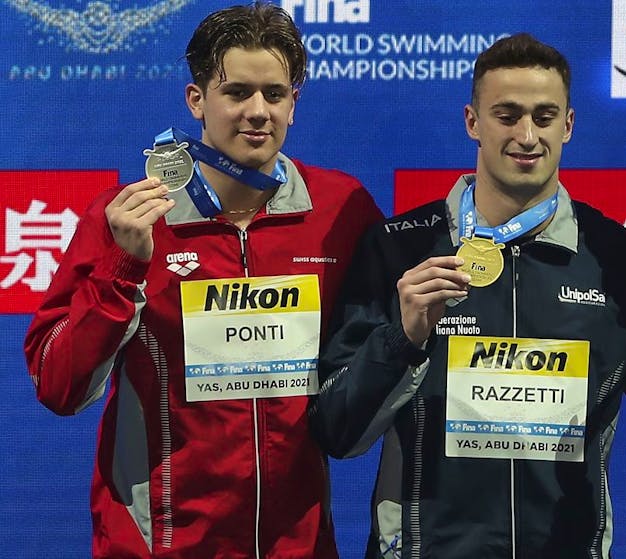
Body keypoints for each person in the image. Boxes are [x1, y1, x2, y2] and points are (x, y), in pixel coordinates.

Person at [23, 3, 382, 557]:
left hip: (299, 547)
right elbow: (58, 385)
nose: (257, 112)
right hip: (163, 545)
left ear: (294, 103)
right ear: (197, 100)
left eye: (274, 94)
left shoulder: (341, 210)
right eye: (236, 92)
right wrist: (124, 269)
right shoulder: (129, 219)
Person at [309, 33, 626, 558]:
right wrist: (403, 339)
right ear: (472, 122)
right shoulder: (398, 248)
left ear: (568, 125)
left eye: (544, 116)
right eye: (507, 116)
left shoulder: (613, 256)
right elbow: (337, 432)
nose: (527, 136)